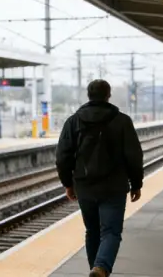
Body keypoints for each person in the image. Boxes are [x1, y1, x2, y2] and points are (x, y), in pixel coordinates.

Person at [56, 80, 143, 277]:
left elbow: (62, 156)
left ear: (89, 95)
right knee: (111, 232)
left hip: (85, 186)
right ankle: (101, 267)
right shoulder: (122, 121)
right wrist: (136, 183)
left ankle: (96, 270)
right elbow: (134, 155)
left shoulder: (73, 121)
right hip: (114, 186)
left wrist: (68, 183)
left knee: (92, 231)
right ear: (108, 95)